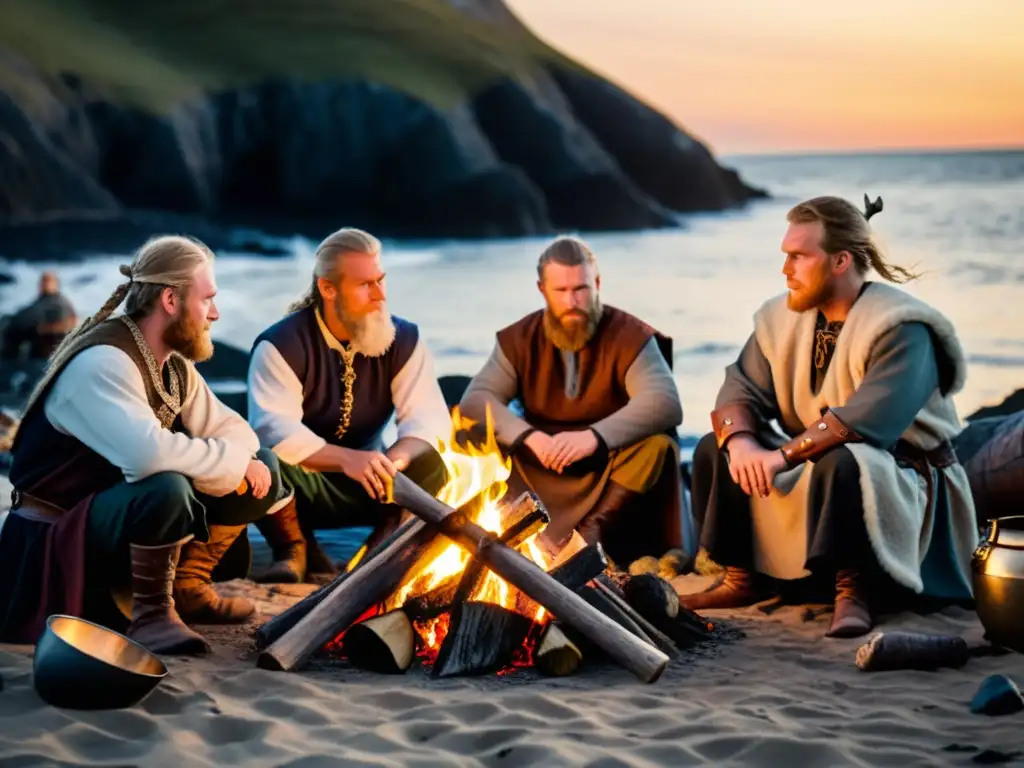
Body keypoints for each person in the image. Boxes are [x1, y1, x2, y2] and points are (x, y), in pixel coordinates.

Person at [681, 195, 979, 638]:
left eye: (798, 256)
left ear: (840, 261)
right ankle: (743, 579)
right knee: (717, 446)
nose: (786, 269)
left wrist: (779, 457)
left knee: (847, 460)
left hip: (902, 476)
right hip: (818, 466)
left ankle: (854, 591)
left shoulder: (903, 327)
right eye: (785, 256)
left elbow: (868, 421)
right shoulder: (782, 319)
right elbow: (740, 387)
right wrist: (742, 442)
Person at [0, 236, 289, 655]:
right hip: (59, 536)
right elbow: (147, 457)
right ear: (170, 299)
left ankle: (186, 587)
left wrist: (241, 460)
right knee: (167, 486)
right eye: (207, 299)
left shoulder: (173, 366)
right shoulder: (103, 362)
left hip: (110, 519)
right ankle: (150, 615)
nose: (215, 312)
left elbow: (235, 429)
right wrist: (230, 463)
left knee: (264, 464)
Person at [458, 235, 684, 566]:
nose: (572, 300)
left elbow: (665, 402)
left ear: (597, 283)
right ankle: (507, 534)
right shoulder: (520, 338)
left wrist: (593, 437)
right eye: (561, 291)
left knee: (657, 446)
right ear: (542, 289)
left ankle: (591, 529)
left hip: (608, 459)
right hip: (542, 459)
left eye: (580, 289)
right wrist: (529, 437)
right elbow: (475, 400)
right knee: (470, 434)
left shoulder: (629, 335)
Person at [247, 227, 452, 583]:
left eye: (381, 280)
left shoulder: (403, 340)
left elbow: (427, 421)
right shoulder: (280, 345)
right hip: (303, 487)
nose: (380, 295)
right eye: (365, 285)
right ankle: (294, 549)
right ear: (328, 288)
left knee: (430, 462)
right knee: (258, 461)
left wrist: (392, 462)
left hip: (372, 485)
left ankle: (380, 550)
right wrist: (347, 459)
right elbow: (273, 429)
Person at [1, 271, 77, 360]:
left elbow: (70, 324)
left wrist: (42, 329)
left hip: (47, 352)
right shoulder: (40, 302)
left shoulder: (61, 304)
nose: (44, 284)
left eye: (48, 281)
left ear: (56, 284)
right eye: (43, 281)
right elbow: (25, 314)